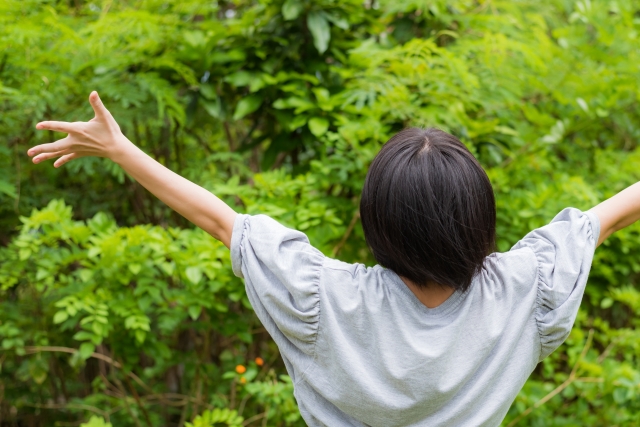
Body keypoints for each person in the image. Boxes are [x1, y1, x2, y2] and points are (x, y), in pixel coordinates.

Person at [27, 92, 637, 426]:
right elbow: (608, 213)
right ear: (479, 216)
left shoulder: (323, 298)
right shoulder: (524, 291)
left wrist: (120, 148)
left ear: (378, 220)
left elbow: (218, 218)